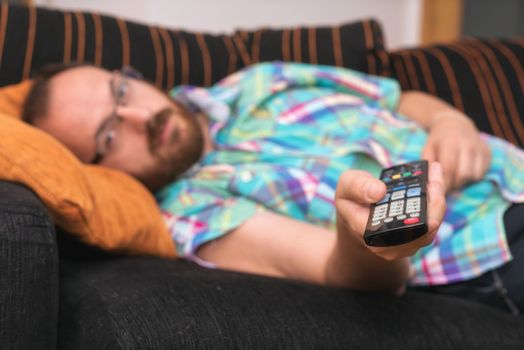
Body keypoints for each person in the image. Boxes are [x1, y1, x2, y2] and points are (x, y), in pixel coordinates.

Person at [21, 61, 524, 314]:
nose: (142, 117)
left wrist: (451, 120)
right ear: (101, 172)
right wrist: (367, 236)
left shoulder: (262, 78)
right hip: (490, 251)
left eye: (121, 91)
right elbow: (353, 275)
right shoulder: (189, 213)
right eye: (109, 134)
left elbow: (400, 97)